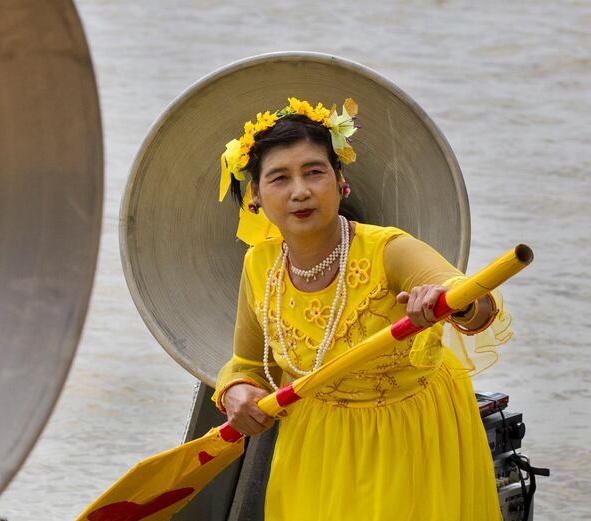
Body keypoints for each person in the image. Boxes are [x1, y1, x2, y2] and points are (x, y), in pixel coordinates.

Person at [213, 98, 512, 520]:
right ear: (256, 196)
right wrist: (236, 390)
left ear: (340, 181)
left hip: (412, 435)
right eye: (280, 178)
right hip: (315, 444)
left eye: (314, 172)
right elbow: (249, 363)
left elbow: (476, 304)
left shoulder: (388, 250)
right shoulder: (259, 267)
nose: (300, 191)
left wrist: (447, 303)